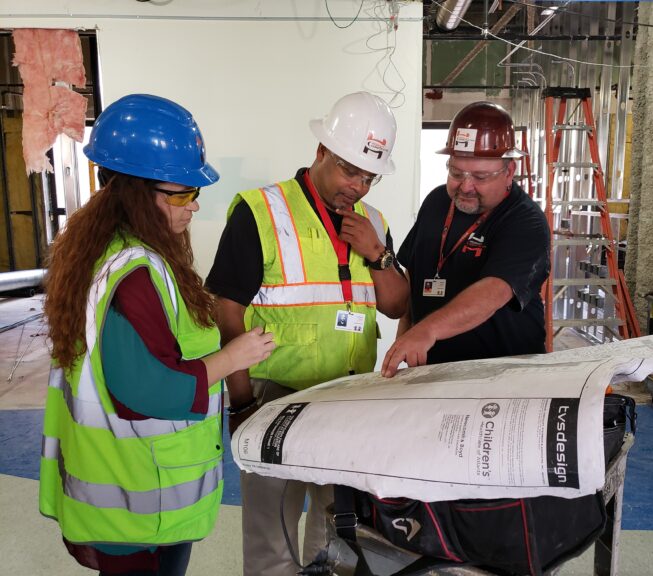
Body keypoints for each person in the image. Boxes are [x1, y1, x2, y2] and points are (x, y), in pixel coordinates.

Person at [39, 94, 276, 576]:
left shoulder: (105, 251)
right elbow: (148, 391)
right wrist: (235, 356)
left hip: (126, 487)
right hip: (141, 503)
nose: (194, 205)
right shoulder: (135, 274)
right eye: (182, 194)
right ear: (135, 193)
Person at [206, 91, 409, 575]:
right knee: (271, 532)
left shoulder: (373, 223)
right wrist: (242, 403)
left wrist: (377, 253)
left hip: (347, 397)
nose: (358, 186)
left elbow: (396, 305)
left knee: (335, 527)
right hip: (274, 397)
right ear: (321, 151)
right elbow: (226, 310)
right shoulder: (261, 211)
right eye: (349, 170)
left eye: (369, 176)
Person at [381, 101, 550, 377]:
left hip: (503, 375)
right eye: (456, 173)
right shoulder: (436, 202)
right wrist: (404, 342)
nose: (466, 186)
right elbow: (414, 281)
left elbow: (493, 291)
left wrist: (427, 330)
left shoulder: (525, 220)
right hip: (434, 374)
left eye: (480, 177)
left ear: (509, 172)